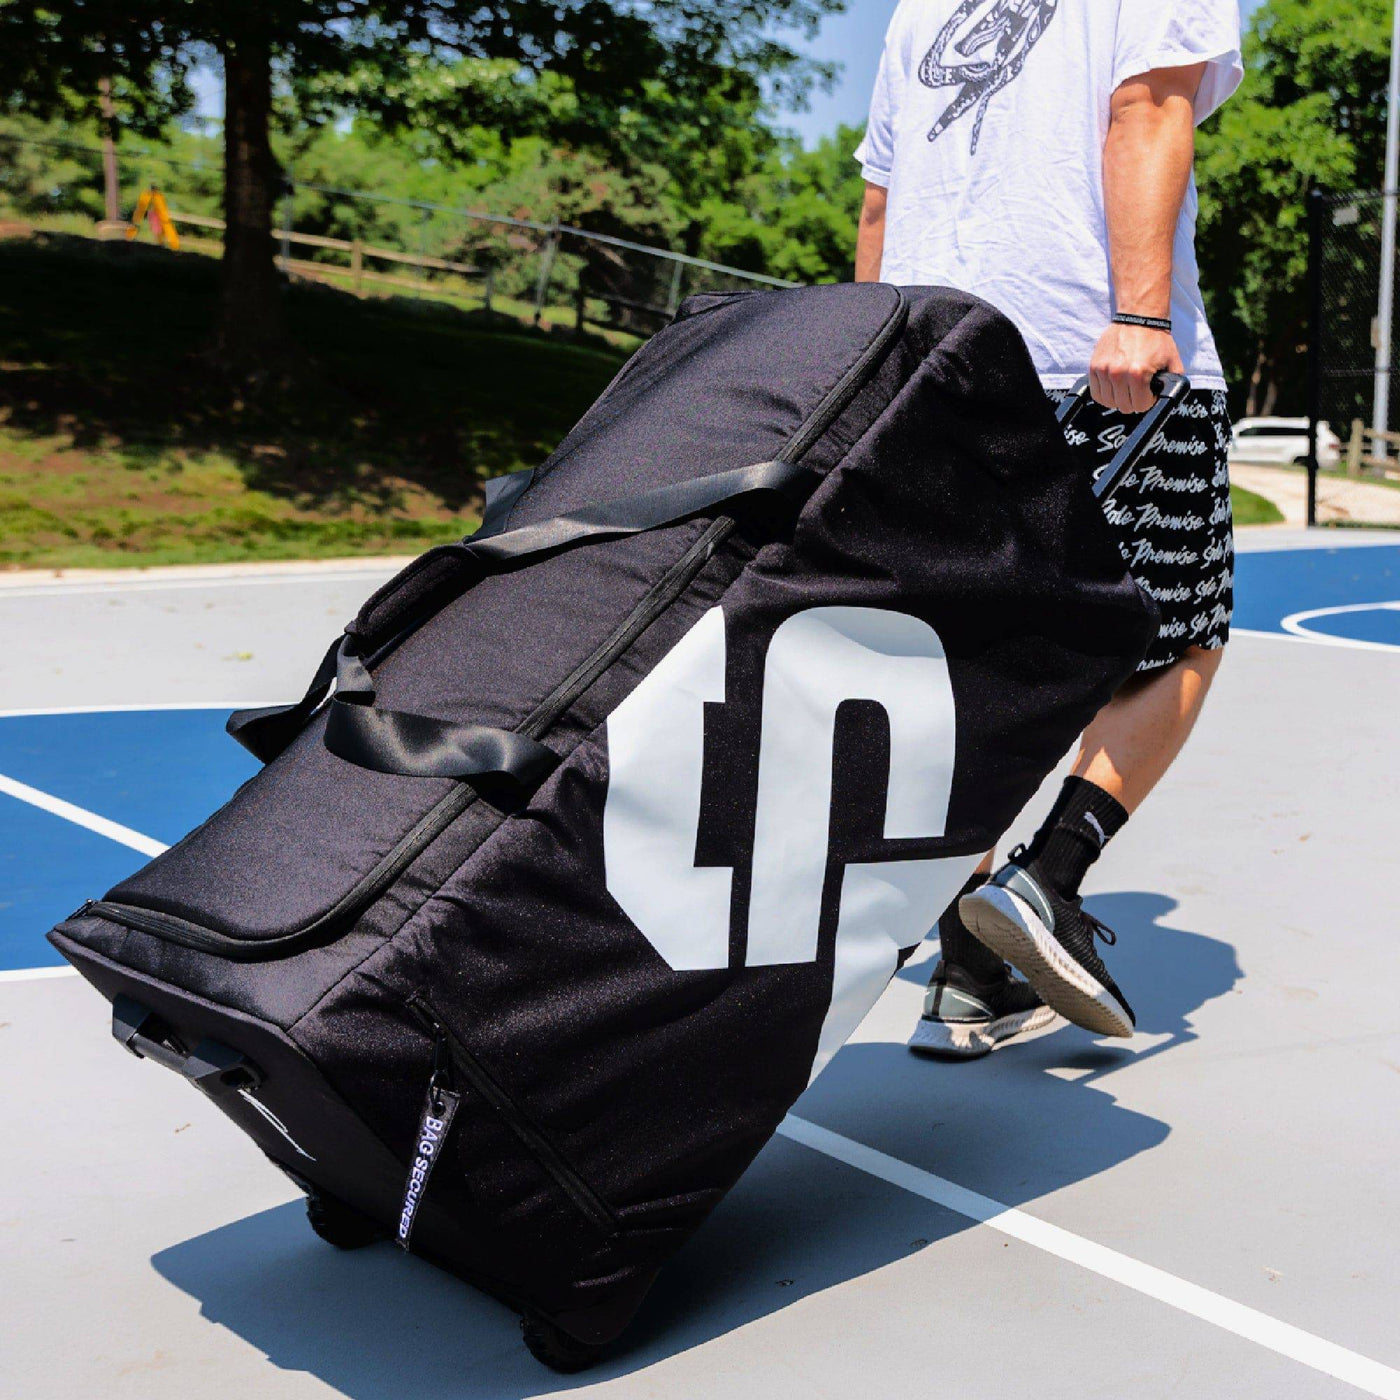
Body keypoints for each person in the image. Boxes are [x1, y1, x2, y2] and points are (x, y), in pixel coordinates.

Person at [852, 0, 1242, 1058]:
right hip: (1087, 353)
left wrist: (860, 370)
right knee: (1180, 628)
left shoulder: (916, 8)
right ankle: (1051, 874)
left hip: (927, 364)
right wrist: (1144, 316)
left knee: (957, 669)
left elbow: (879, 202)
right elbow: (1145, 108)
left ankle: (971, 973)